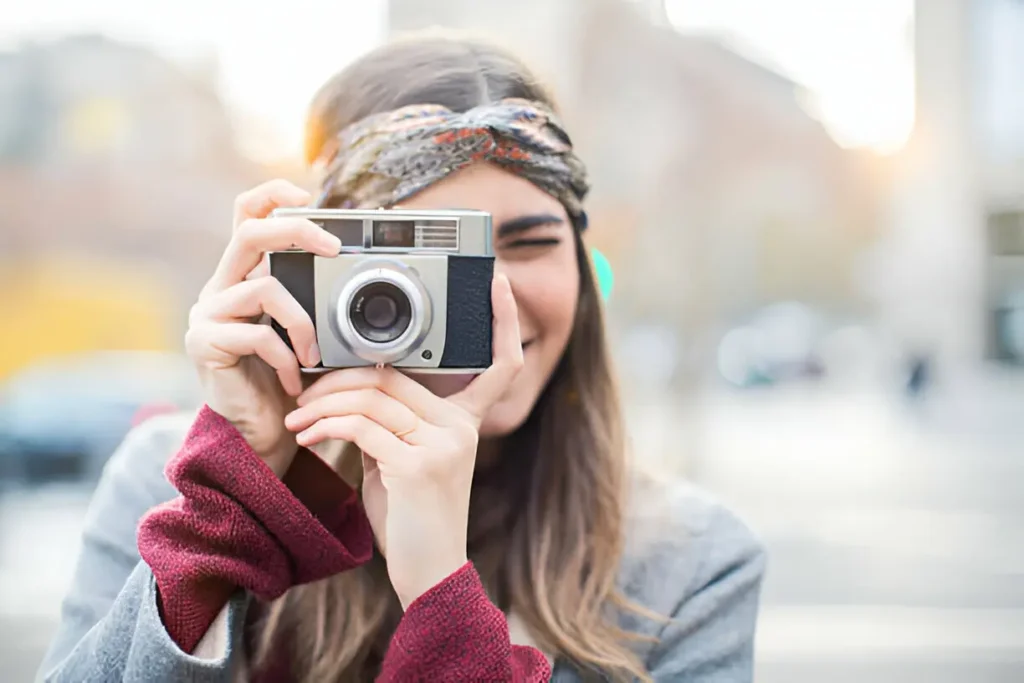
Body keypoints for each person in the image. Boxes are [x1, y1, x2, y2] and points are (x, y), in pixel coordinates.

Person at [38, 32, 766, 682]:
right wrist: (236, 503)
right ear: (316, 270)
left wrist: (441, 594)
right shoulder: (167, 487)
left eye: (529, 241)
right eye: (430, 256)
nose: (490, 297)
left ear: (580, 263)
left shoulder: (691, 563)